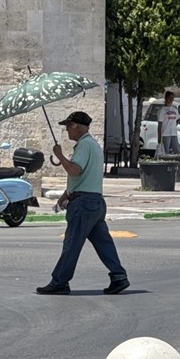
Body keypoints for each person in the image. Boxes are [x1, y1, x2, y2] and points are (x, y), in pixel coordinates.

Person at [37, 111, 129, 296]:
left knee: (72, 244)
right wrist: (66, 195)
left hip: (83, 204)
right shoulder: (93, 145)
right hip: (95, 201)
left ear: (77, 127)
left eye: (68, 126)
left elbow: (75, 171)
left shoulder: (84, 145)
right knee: (103, 242)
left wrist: (60, 155)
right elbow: (83, 178)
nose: (67, 130)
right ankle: (119, 276)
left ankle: (59, 282)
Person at [157, 91, 180, 156]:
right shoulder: (162, 110)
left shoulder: (174, 109)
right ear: (166, 98)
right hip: (165, 133)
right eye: (169, 98)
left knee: (177, 151)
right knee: (165, 152)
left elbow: (178, 118)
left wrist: (174, 125)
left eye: (172, 98)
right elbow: (160, 124)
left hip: (173, 133)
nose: (171, 100)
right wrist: (159, 137)